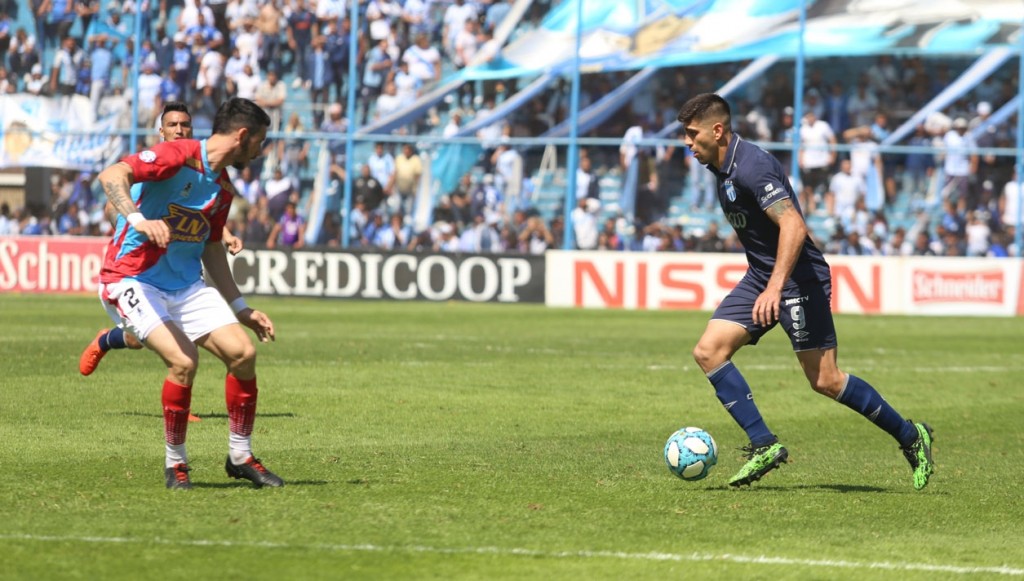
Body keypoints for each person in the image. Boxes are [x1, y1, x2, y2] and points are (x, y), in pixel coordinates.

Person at [675, 93, 934, 490]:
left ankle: (911, 435)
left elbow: (794, 225)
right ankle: (763, 444)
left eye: (692, 134)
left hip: (797, 279)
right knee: (708, 351)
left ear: (717, 129)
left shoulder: (751, 166)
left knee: (826, 380)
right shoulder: (722, 168)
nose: (687, 143)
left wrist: (775, 288)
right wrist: (767, 283)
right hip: (763, 276)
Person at [87, 98, 282, 490]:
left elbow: (211, 248)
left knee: (243, 354)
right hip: (132, 278)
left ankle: (240, 456)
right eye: (260, 141)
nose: (261, 150)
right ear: (242, 136)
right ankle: (175, 464)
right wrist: (140, 220)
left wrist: (241, 308)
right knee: (184, 361)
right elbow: (111, 175)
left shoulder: (223, 189)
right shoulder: (178, 154)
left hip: (187, 286)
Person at [80, 102, 244, 395]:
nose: (179, 130)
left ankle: (181, 405)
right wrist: (134, 223)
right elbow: (112, 202)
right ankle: (107, 340)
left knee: (186, 338)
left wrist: (224, 233)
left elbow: (197, 209)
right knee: (149, 339)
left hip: (181, 267)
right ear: (161, 131)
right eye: (172, 125)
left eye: (185, 125)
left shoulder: (203, 170)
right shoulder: (154, 163)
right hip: (143, 266)